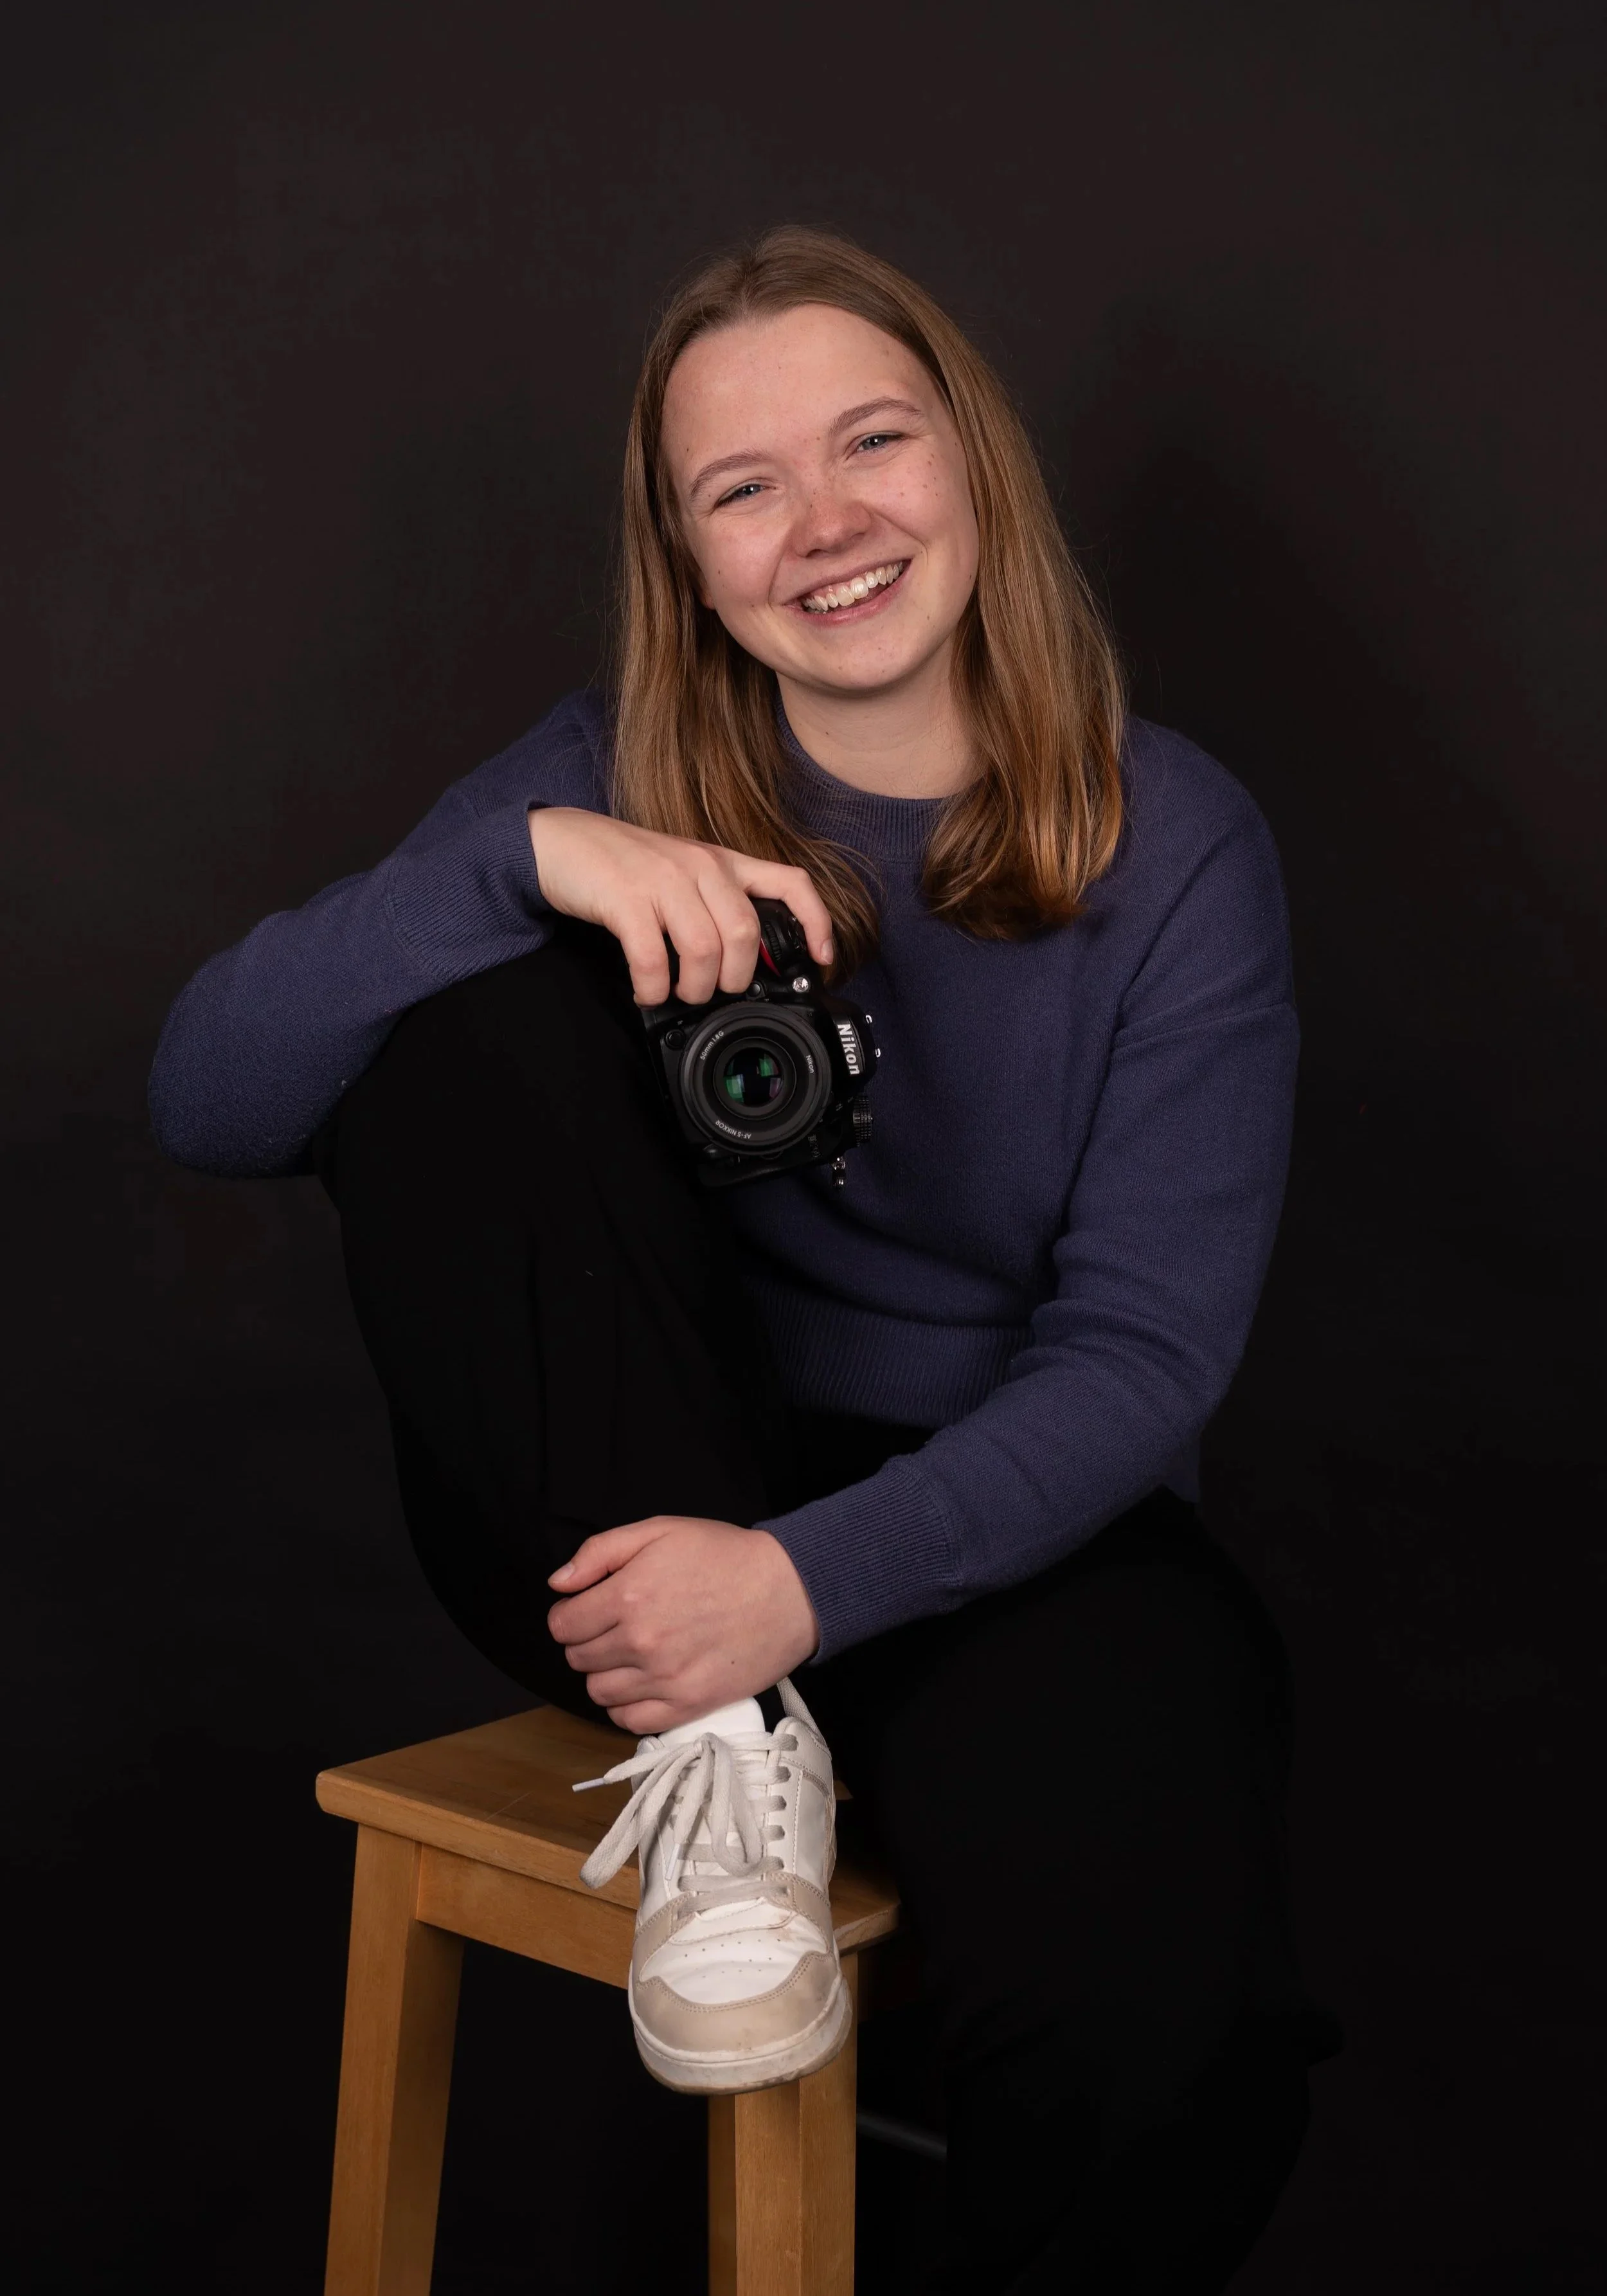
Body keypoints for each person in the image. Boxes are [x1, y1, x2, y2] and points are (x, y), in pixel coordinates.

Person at [150, 226, 1333, 2292]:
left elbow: (1144, 1357)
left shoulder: (1177, 845)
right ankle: (719, 1775)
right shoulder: (607, 761)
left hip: (994, 1528)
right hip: (621, 1491)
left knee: (1165, 2015)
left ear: (974, 470)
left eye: (873, 441)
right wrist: (517, 863)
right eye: (743, 488)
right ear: (684, 564)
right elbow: (211, 1096)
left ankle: (772, 1721)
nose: (828, 524)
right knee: (465, 1014)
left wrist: (792, 1586)